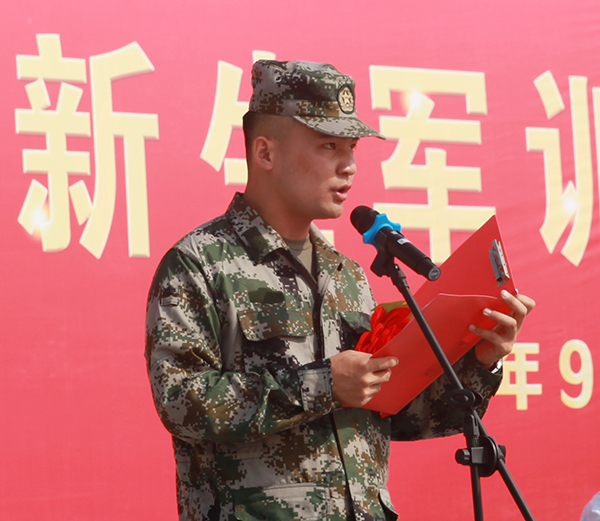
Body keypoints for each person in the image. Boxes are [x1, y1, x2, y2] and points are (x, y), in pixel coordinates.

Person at [145, 60, 535, 521]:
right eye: (328, 146)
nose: (348, 166)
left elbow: (399, 416)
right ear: (265, 153)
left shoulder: (347, 276)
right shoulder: (200, 263)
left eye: (351, 148)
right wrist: (323, 384)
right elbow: (181, 403)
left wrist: (479, 360)